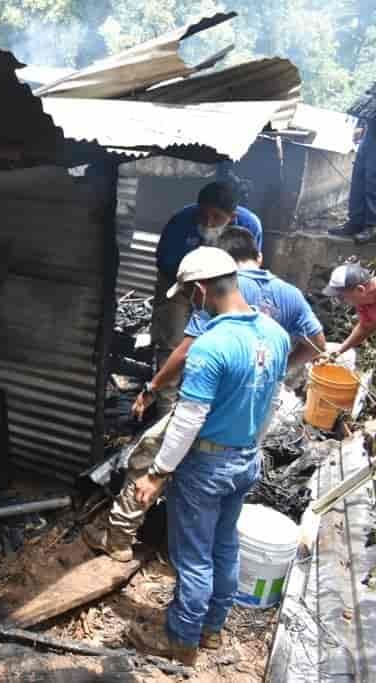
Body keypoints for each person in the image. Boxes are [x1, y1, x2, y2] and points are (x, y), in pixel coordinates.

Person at [85, 228, 324, 564]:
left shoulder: (216, 301)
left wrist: (152, 390)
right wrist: (274, 371)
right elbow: (318, 343)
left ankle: (120, 537)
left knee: (148, 455)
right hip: (249, 424)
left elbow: (187, 359)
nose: (190, 302)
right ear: (258, 256)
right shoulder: (287, 298)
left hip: (211, 410)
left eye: (188, 295)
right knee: (220, 526)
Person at [124, 248, 290, 665]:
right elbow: (272, 402)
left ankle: (181, 642)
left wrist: (158, 473)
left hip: (206, 467)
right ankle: (213, 630)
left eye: (188, 295)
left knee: (194, 556)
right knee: (224, 547)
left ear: (201, 290)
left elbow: (187, 420)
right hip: (245, 459)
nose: (189, 303)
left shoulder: (211, 346)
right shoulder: (276, 335)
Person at [151, 181, 263, 415]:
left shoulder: (250, 225)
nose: (208, 222)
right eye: (203, 214)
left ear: (232, 217)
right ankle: (165, 406)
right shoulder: (181, 220)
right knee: (172, 340)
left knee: (217, 342)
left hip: (222, 289)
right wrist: (192, 280)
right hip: (180, 283)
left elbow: (249, 268)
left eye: (216, 217)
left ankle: (202, 400)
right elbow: (164, 261)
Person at [328, 118, 376, 243]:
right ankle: (356, 222)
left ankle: (372, 226)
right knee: (359, 177)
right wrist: (361, 124)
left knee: (373, 178)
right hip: (371, 128)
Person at [322, 262, 376, 357]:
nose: (340, 300)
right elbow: (366, 327)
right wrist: (340, 350)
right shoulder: (363, 302)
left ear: (360, 290)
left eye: (341, 296)